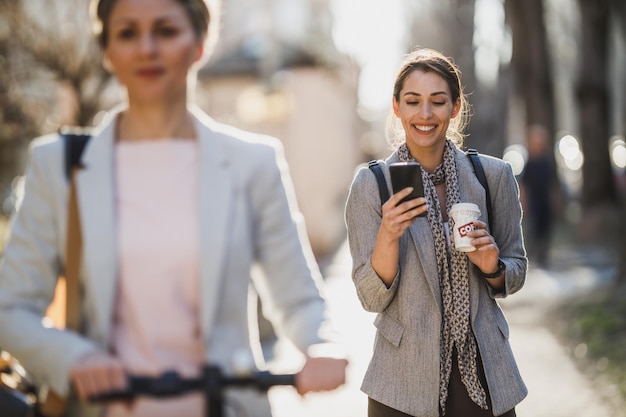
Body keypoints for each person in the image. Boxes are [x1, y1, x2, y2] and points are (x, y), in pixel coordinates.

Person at [0, 0, 347, 416]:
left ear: (200, 43)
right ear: (107, 50)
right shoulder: (59, 165)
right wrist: (73, 358)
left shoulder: (251, 163)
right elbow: (11, 308)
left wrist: (321, 345)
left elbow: (298, 298)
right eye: (128, 33)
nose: (147, 48)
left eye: (165, 31)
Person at [344, 47, 527, 417]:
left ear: (455, 107)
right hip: (401, 383)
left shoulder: (493, 177)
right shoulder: (372, 184)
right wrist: (389, 234)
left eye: (437, 101)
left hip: (483, 374)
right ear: (397, 108)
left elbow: (517, 268)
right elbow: (369, 297)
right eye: (413, 101)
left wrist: (493, 266)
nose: (425, 114)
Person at [519, 124, 562, 267]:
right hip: (533, 202)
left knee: (546, 229)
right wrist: (523, 203)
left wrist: (556, 202)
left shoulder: (548, 162)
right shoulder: (529, 163)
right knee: (533, 229)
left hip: (545, 201)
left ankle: (544, 256)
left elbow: (553, 185)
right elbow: (523, 186)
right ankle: (532, 255)